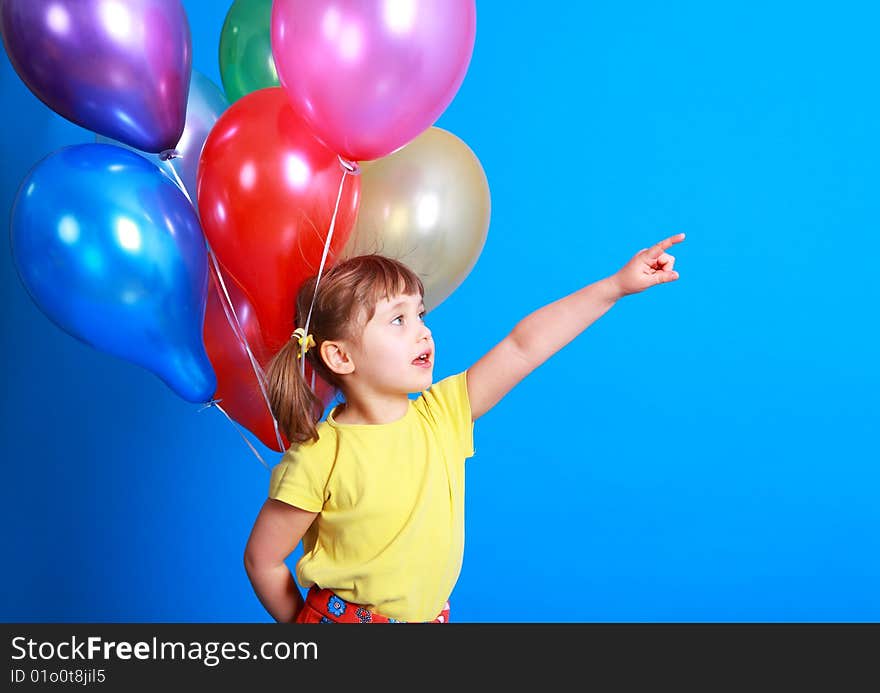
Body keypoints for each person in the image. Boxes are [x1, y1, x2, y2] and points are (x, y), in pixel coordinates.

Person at [243, 233, 686, 623]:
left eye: (421, 315)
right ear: (341, 357)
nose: (424, 333)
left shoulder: (443, 414)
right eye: (399, 320)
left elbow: (523, 347)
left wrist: (615, 286)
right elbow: (263, 560)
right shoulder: (321, 455)